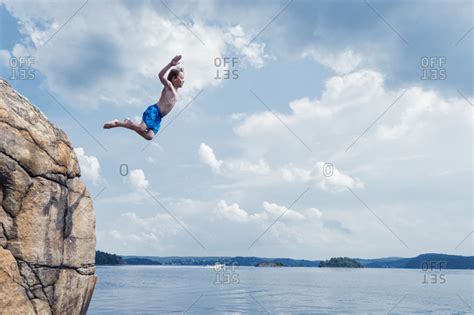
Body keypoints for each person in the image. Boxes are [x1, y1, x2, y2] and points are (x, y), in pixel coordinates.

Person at [103, 55, 184, 140]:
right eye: (181, 78)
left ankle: (129, 123)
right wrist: (170, 64)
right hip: (154, 111)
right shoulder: (169, 86)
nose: (183, 80)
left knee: (149, 136)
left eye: (184, 78)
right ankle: (118, 123)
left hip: (159, 117)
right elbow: (160, 75)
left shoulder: (177, 93)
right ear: (174, 78)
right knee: (141, 128)